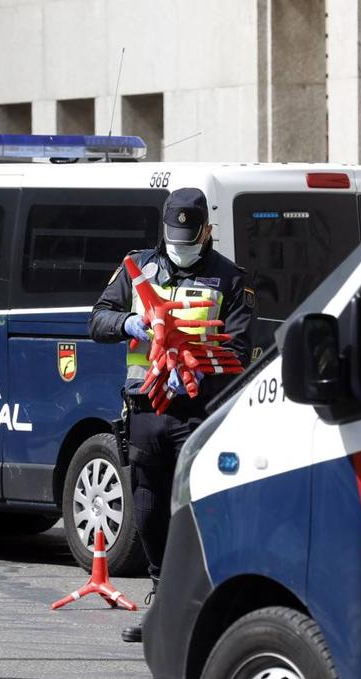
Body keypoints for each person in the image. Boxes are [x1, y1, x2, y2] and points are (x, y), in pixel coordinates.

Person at [89, 187, 254, 644]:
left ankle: (203, 608)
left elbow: (239, 349)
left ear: (207, 231)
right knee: (148, 507)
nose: (180, 247)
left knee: (198, 508)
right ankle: (161, 602)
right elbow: (98, 319)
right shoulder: (139, 267)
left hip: (198, 412)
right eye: (174, 238)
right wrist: (128, 323)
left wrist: (196, 372)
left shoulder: (230, 279)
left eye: (189, 238)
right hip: (146, 408)